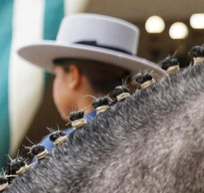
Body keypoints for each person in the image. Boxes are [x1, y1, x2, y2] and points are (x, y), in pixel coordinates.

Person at [17, 13, 164, 125]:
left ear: (73, 75)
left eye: (56, 74)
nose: (54, 83)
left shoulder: (55, 150)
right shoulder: (145, 132)